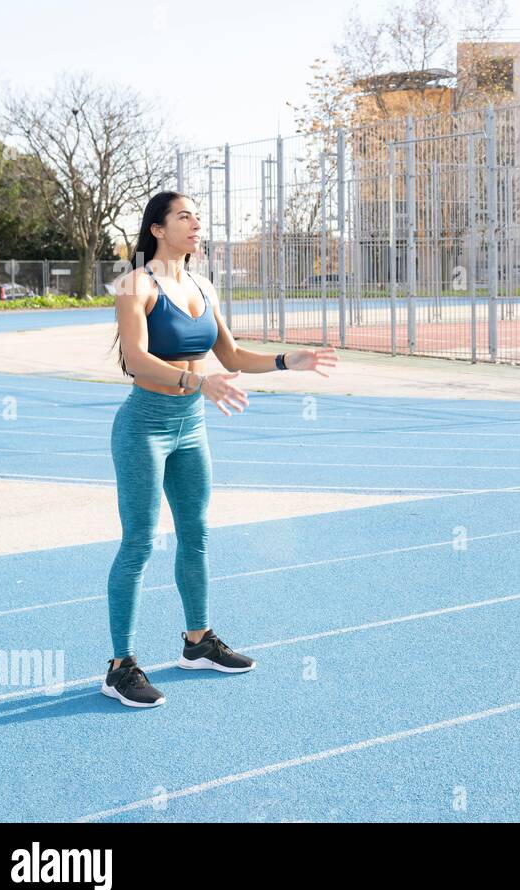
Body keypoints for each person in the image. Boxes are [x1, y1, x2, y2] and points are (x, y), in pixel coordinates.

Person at [104, 191, 339, 708]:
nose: (196, 225)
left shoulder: (203, 285)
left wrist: (286, 360)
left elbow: (229, 354)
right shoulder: (135, 284)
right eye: (184, 217)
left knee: (197, 534)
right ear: (158, 229)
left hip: (190, 428)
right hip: (145, 425)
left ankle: (198, 643)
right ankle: (120, 666)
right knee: (140, 543)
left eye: (198, 218)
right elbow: (138, 360)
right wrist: (200, 384)